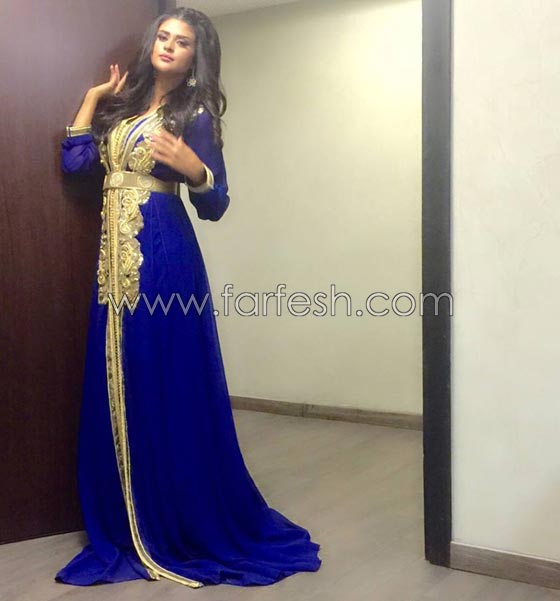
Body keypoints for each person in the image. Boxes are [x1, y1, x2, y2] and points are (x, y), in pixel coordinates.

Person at [54, 7, 321, 589]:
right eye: (164, 36)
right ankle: (128, 512)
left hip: (166, 258)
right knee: (118, 375)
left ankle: (173, 515)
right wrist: (94, 98)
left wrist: (196, 171)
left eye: (183, 42)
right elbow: (76, 163)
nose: (169, 46)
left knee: (165, 375)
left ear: (197, 55)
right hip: (115, 267)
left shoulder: (194, 115)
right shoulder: (126, 107)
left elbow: (216, 204)